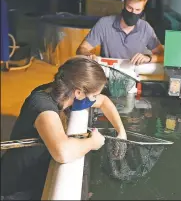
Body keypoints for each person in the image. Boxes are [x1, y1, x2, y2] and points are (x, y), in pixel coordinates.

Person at [1, 56, 127, 200]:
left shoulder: (64, 94)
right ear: (79, 93)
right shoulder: (42, 105)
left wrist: (121, 132)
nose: (94, 99)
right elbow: (62, 152)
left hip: (36, 172)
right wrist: (93, 143)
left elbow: (105, 102)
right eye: (94, 95)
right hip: (17, 185)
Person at [76, 0, 164, 65]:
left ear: (143, 9)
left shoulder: (145, 28)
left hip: (133, 76)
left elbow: (163, 56)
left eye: (138, 10)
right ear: (123, 5)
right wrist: (89, 55)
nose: (133, 13)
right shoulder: (104, 24)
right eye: (129, 8)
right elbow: (81, 49)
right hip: (107, 74)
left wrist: (148, 58)